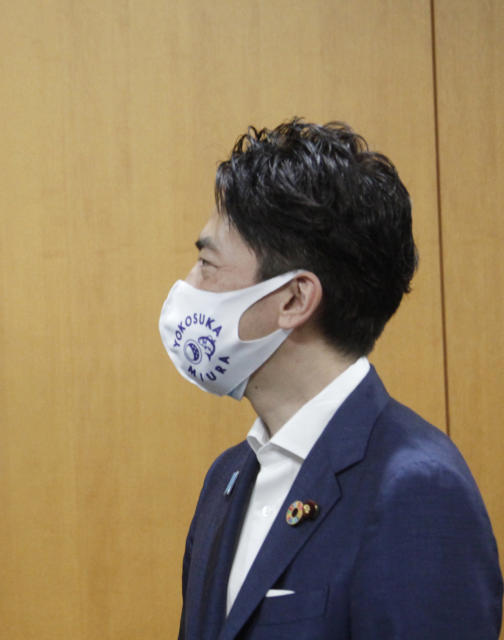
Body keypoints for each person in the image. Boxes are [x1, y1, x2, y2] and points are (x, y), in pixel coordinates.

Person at [159, 119, 502, 639]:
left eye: (207, 264)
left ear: (294, 299)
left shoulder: (415, 489)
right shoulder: (227, 479)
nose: (189, 286)